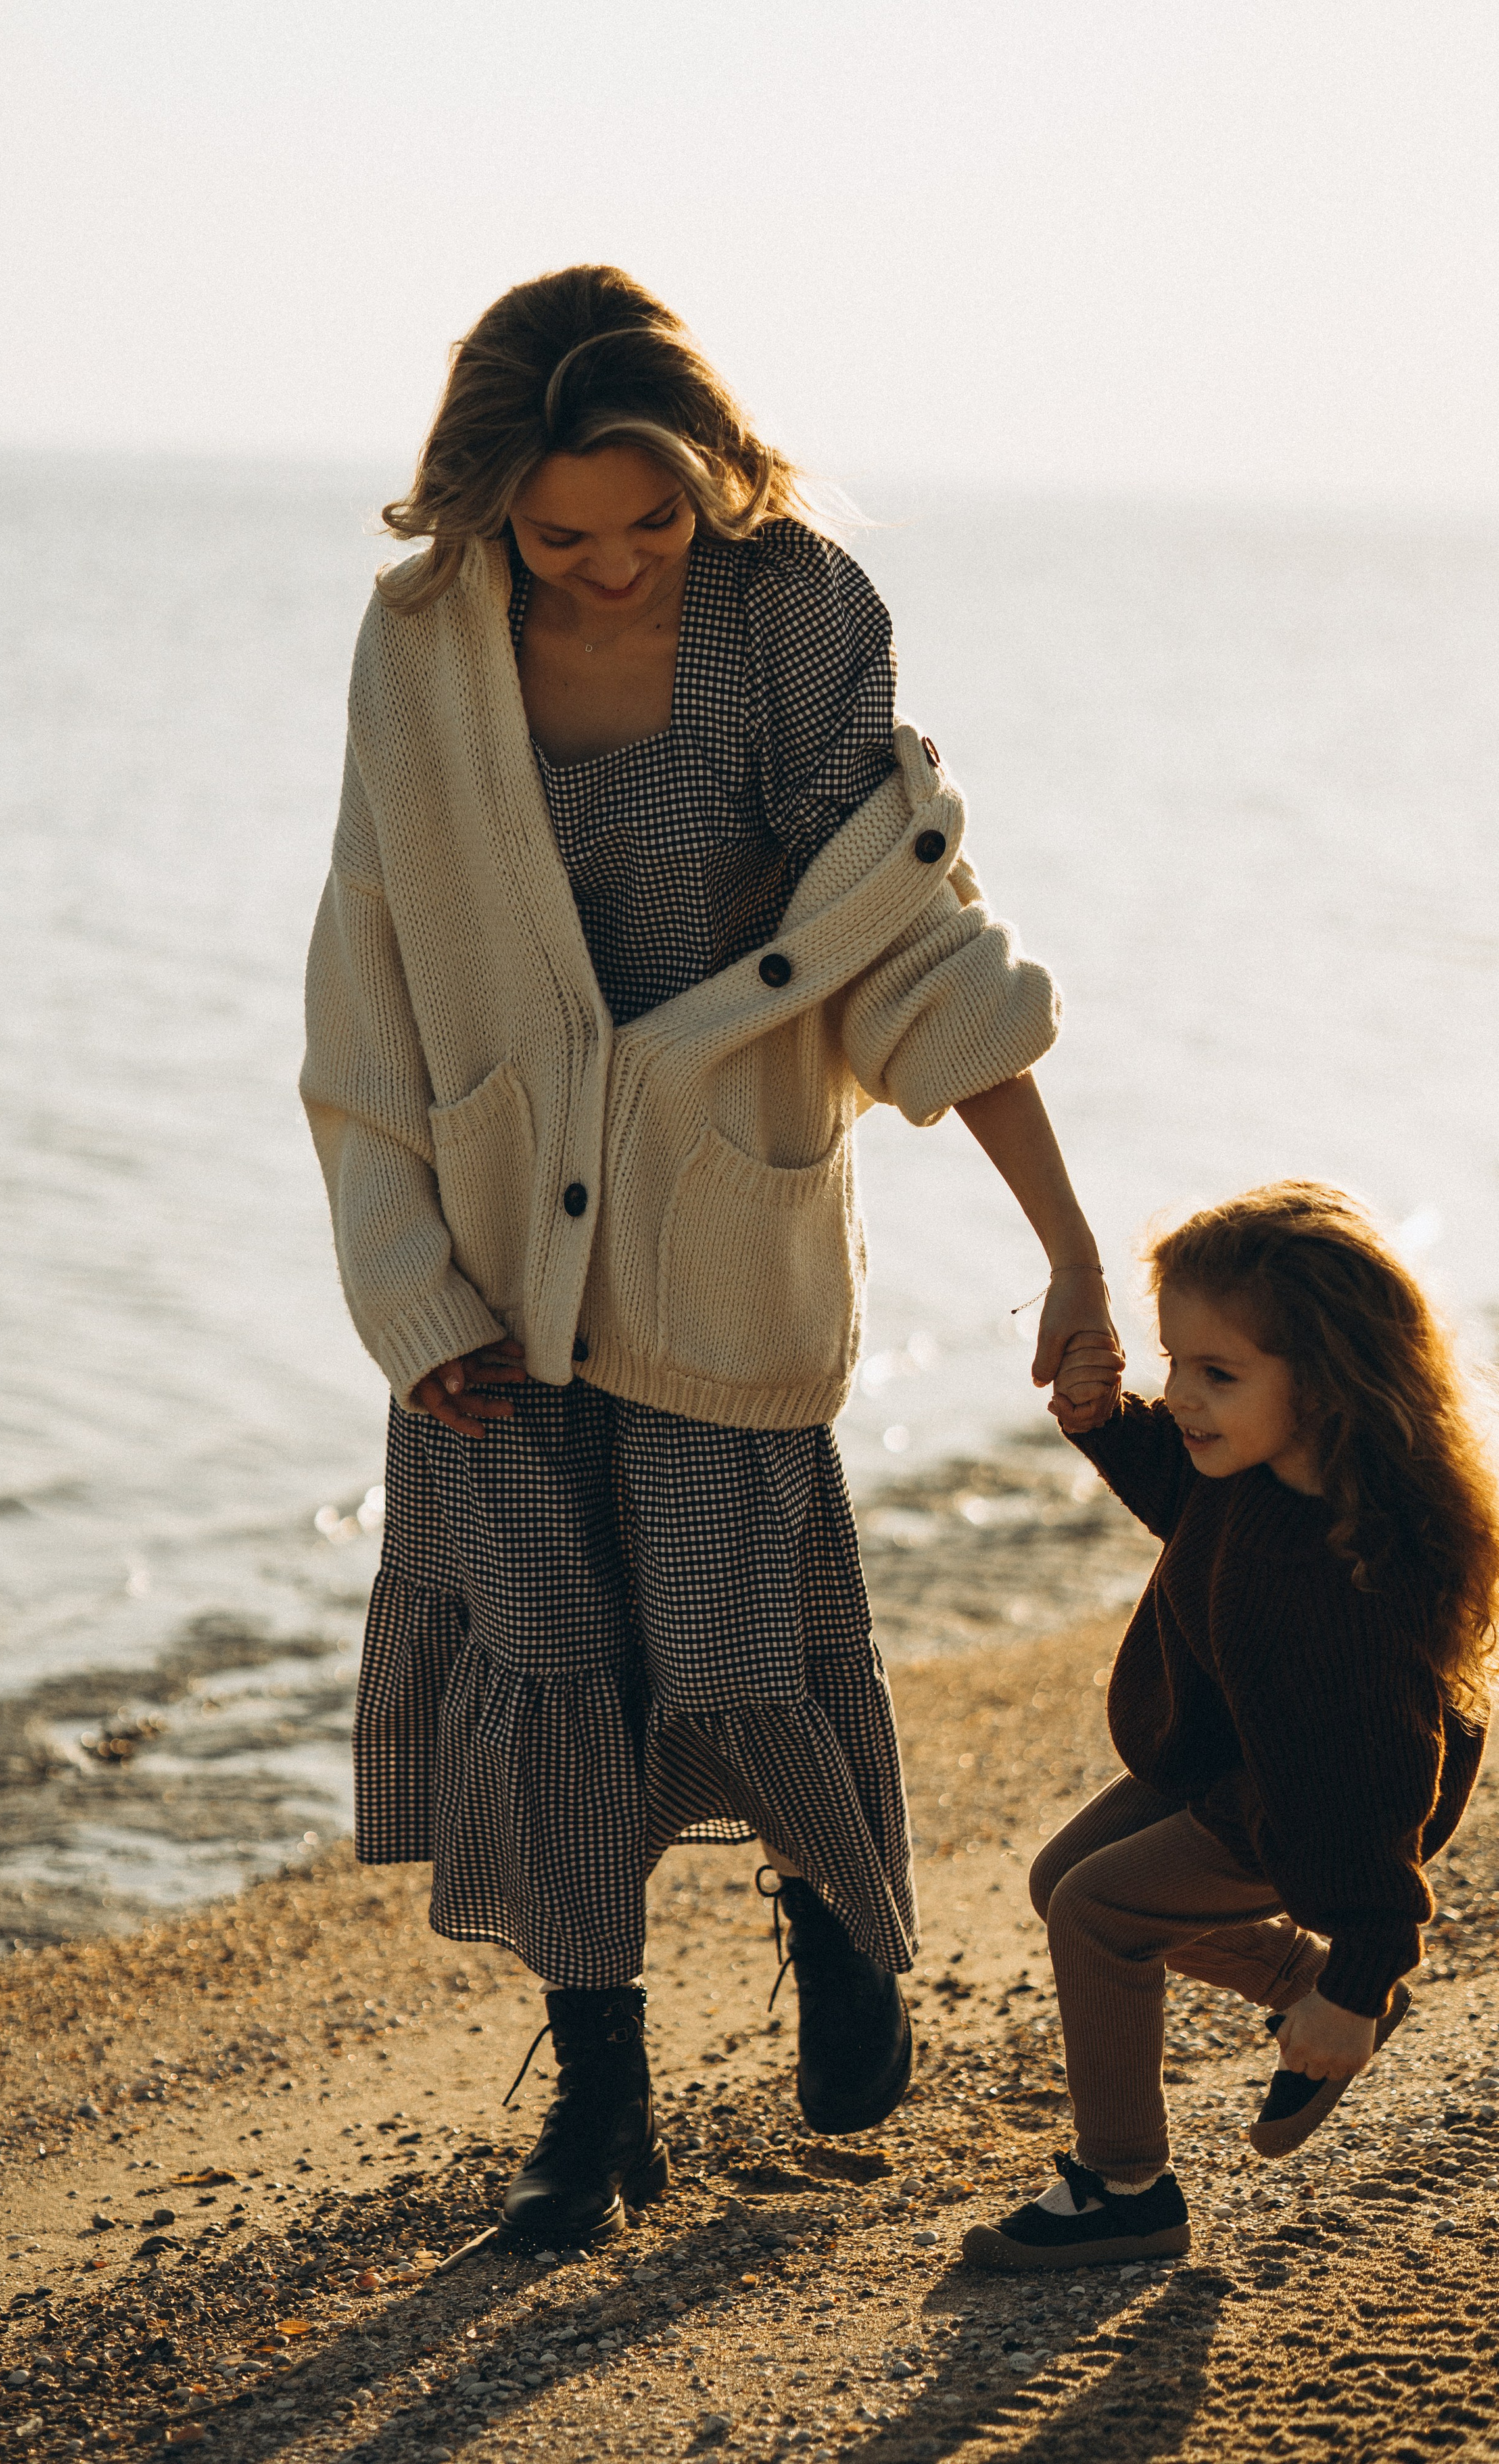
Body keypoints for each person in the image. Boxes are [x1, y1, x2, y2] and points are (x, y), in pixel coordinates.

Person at [300, 263, 1119, 2251]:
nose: (606, 564)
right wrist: (409, 1290)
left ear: (712, 471)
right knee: (551, 1677)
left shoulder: (798, 610)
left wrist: (1074, 1253)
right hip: (499, 1275)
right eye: (557, 531)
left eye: (648, 521)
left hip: (715, 1249)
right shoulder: (420, 638)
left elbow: (907, 936)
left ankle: (835, 1923)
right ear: (481, 498)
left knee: (749, 1652)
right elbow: (369, 970)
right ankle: (597, 2103)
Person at [963, 1181, 1497, 2273]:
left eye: (1218, 1375)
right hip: (1239, 1757)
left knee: (1098, 1909)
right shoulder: (1260, 1469)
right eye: (1174, 1364)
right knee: (1063, 1875)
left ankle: (1126, 2190)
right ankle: (1285, 1977)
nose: (1185, 1399)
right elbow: (1183, 1488)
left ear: (1332, 1379)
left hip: (1308, 1810)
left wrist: (1364, 1977)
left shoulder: (1341, 1581)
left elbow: (1383, 1789)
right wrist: (1104, 1421)